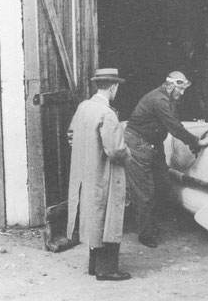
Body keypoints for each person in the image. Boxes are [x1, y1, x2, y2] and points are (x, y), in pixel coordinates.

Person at [124, 71, 208, 248]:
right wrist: (197, 141)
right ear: (171, 85)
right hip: (138, 144)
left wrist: (193, 143)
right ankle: (145, 234)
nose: (182, 93)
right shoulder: (159, 100)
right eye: (180, 89)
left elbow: (175, 124)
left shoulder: (168, 99)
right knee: (145, 192)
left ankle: (150, 224)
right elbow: (174, 127)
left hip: (153, 145)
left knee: (164, 184)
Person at [66, 68, 131, 281]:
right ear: (113, 87)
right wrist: (127, 153)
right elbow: (115, 150)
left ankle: (94, 265)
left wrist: (87, 152)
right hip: (106, 173)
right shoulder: (108, 113)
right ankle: (107, 270)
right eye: (117, 87)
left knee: (94, 216)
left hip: (87, 172)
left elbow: (71, 135)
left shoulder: (84, 107)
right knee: (109, 217)